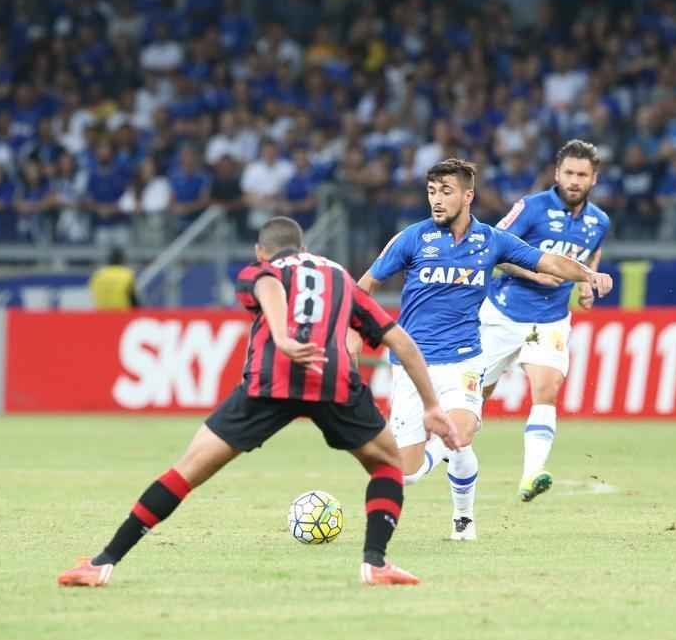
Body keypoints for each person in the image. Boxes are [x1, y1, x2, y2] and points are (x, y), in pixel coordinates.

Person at [59, 217, 460, 587]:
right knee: (386, 465)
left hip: (271, 382)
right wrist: (431, 406)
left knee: (187, 471)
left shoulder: (264, 270)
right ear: (302, 245)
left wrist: (284, 336)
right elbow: (401, 341)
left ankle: (102, 563)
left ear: (260, 251)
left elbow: (266, 283)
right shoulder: (339, 277)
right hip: (332, 380)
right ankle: (375, 563)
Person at [353, 158, 614, 539]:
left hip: (463, 360)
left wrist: (588, 274)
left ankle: (463, 518)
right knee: (408, 470)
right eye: (431, 192)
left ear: (468, 195)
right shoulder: (411, 238)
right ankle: (415, 470)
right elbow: (365, 285)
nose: (437, 201)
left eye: (446, 192)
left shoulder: (491, 241)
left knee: (459, 434)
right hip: (410, 362)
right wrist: (354, 330)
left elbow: (549, 261)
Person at [479, 140, 611, 502]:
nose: (574, 180)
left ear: (593, 179)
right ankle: (442, 455)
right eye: (568, 173)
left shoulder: (599, 221)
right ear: (556, 174)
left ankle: (531, 474)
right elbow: (492, 249)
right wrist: (535, 274)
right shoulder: (531, 208)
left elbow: (592, 253)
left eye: (582, 175)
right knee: (475, 397)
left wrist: (587, 282)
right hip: (502, 314)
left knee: (546, 390)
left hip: (550, 320)